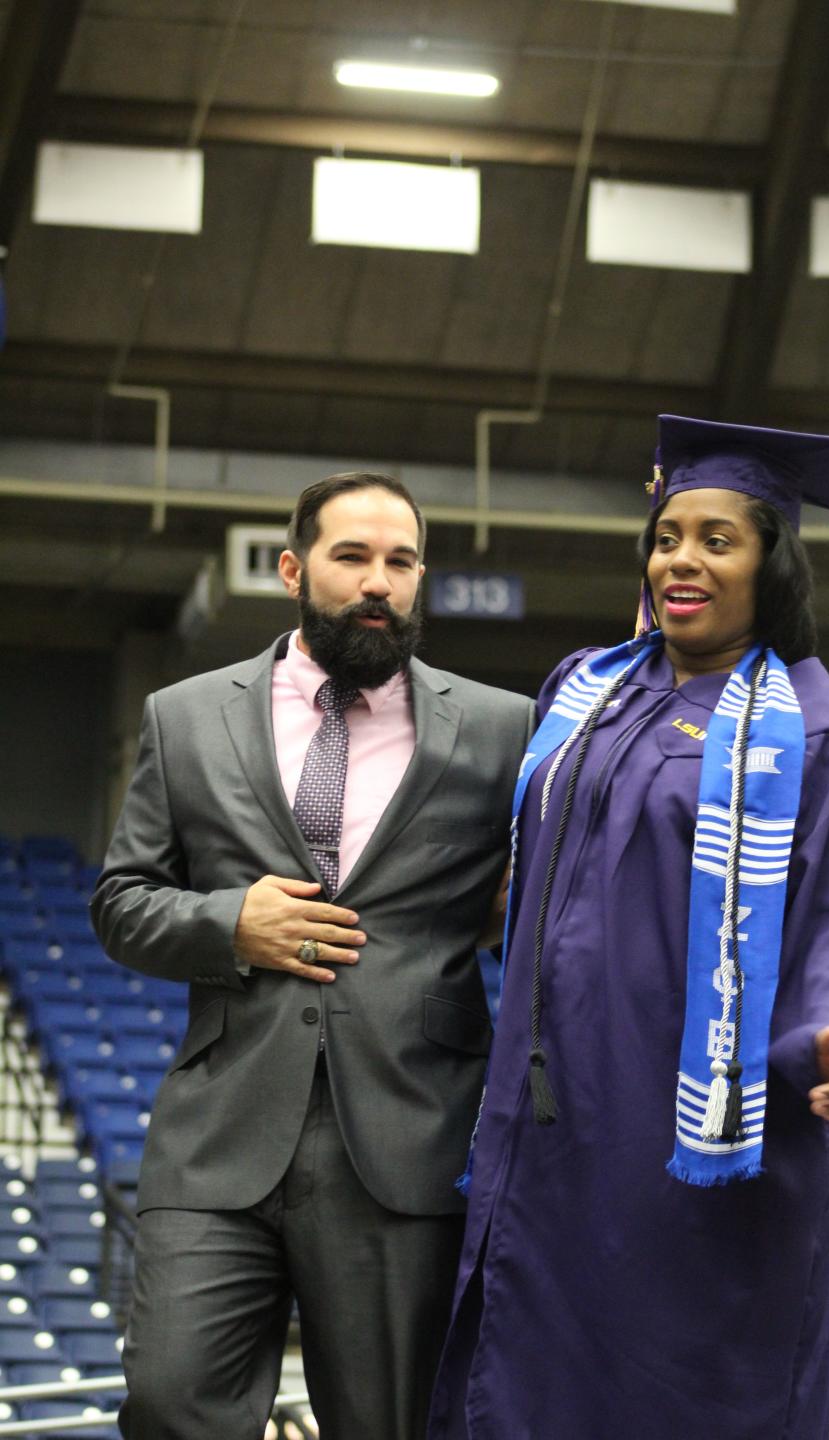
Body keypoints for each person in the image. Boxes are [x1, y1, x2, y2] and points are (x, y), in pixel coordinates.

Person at [426, 416, 829, 1440]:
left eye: (719, 539)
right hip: (555, 1132)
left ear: (773, 563)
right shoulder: (586, 699)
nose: (682, 560)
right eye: (668, 536)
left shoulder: (822, 739)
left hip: (700, 1168)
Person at [91, 471, 534, 1440]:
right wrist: (228, 925)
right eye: (352, 557)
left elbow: (540, 906)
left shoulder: (505, 730)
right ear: (294, 569)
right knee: (168, 1403)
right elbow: (121, 904)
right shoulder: (186, 714)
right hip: (220, 1141)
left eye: (402, 561)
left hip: (409, 1144)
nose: (380, 581)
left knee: (395, 1426)